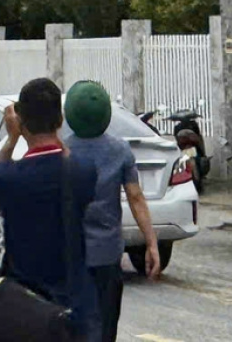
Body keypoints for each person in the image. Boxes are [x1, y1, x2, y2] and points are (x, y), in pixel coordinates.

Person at [0, 78, 97, 338]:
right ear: (61, 119)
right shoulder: (83, 172)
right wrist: (57, 135)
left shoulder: (9, 177)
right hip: (71, 311)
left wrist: (11, 141)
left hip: (24, 312)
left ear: (21, 122)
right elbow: (67, 159)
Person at [60, 80, 161, 342]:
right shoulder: (120, 150)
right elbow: (136, 198)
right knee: (105, 329)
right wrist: (151, 243)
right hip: (107, 255)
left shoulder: (63, 152)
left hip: (71, 256)